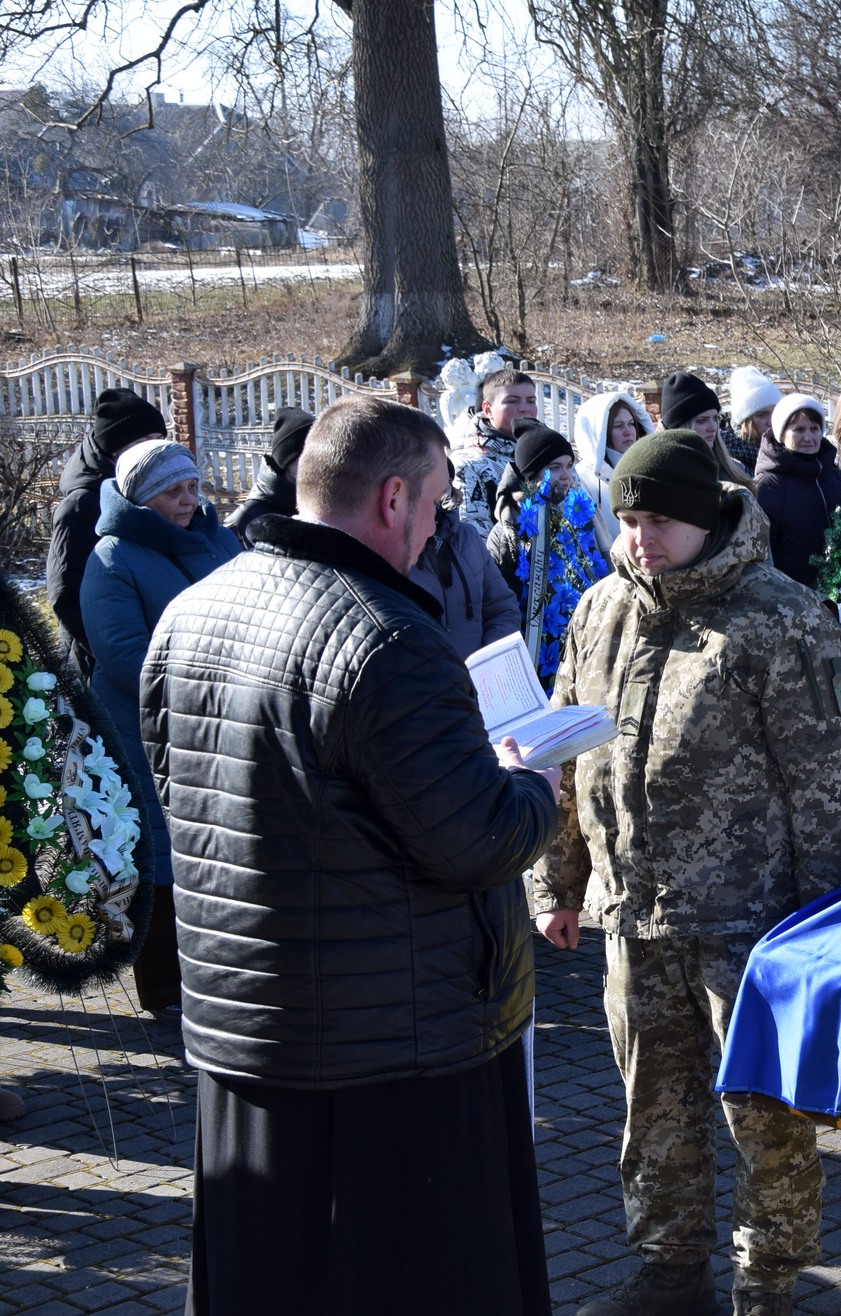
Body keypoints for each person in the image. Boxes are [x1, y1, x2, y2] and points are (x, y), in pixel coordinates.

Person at [141, 395, 561, 1316]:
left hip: (244, 1037)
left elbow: (182, 797)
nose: (436, 530)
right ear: (395, 498)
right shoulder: (388, 639)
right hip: (390, 1063)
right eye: (439, 504)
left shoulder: (193, 611)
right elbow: (474, 836)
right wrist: (530, 786)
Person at [528, 429, 841, 1316]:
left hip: (750, 925)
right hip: (633, 917)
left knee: (764, 1121)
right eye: (629, 520)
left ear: (709, 516)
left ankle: (769, 1284)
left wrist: (831, 933)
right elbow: (565, 752)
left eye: (661, 521)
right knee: (654, 1113)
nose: (642, 538)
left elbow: (822, 785)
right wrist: (557, 885)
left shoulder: (779, 617)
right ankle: (671, 1272)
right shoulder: (602, 610)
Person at [80, 438, 241, 1017]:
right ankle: (165, 992)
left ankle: (220, 978)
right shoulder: (112, 558)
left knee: (218, 854)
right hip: (145, 732)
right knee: (159, 862)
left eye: (193, 486)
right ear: (141, 497)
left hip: (220, 720)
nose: (187, 500)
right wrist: (210, 680)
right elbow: (123, 652)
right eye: (173, 491)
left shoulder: (219, 540)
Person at [47, 387, 167, 672]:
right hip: (98, 664)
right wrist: (111, 656)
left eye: (159, 440)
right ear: (114, 448)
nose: (154, 450)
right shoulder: (78, 506)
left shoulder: (150, 489)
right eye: (143, 441)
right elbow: (65, 595)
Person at [487, 419, 611, 686]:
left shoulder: (582, 516)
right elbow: (499, 602)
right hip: (538, 655)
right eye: (554, 468)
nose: (566, 476)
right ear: (530, 476)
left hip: (590, 641)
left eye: (568, 466)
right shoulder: (510, 530)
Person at [410, 462, 521, 660]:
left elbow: (502, 607)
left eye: (446, 486)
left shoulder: (468, 538)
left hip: (478, 682)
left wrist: (487, 663)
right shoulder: (399, 549)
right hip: (429, 685)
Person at [752, 393, 841, 589]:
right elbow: (760, 560)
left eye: (814, 429)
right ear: (782, 434)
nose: (808, 437)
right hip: (793, 603)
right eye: (798, 429)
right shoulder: (767, 488)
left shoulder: (838, 478)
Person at [453, 367, 541, 536]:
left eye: (531, 401)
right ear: (487, 409)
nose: (524, 408)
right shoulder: (468, 464)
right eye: (512, 401)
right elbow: (473, 534)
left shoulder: (551, 454)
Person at [571, 389, 657, 552]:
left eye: (631, 424)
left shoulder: (651, 467)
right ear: (599, 432)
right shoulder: (583, 477)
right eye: (618, 426)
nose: (628, 431)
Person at [226, 407, 313, 541]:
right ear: (286, 460)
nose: (317, 462)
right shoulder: (246, 517)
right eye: (307, 454)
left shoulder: (321, 504)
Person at [658, 370, 756, 488]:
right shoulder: (662, 475)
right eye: (702, 421)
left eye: (715, 418)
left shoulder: (734, 469)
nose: (713, 427)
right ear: (681, 427)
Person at [724, 366, 782, 473]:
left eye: (775, 412)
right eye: (762, 415)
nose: (771, 422)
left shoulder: (791, 446)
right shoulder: (729, 456)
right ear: (745, 421)